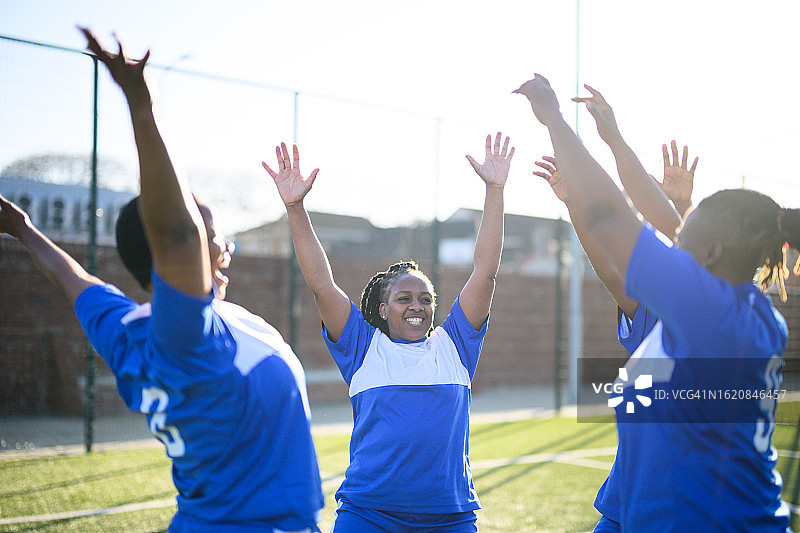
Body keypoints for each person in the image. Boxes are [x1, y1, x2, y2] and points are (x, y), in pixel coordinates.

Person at [0, 28, 324, 532]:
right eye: (211, 237)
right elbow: (176, 235)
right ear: (181, 254)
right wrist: (140, 105)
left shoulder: (126, 329)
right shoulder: (184, 335)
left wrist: (21, 229)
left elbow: (74, 278)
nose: (224, 247)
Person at [515, 74, 797, 532]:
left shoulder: (710, 311)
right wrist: (615, 141)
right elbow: (663, 217)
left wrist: (554, 120)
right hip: (652, 512)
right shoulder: (735, 309)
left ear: (712, 253)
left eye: (683, 234)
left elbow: (609, 214)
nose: (671, 233)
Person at [262, 133, 514, 532]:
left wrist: (495, 191)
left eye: (426, 298)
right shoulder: (362, 347)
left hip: (449, 517)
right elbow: (322, 285)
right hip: (368, 514)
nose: (417, 305)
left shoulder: (456, 345)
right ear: (382, 309)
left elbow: (485, 271)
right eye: (404, 298)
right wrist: (296, 208)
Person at [533, 84, 699, 533]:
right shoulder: (672, 312)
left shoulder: (719, 315)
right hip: (625, 503)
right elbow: (615, 265)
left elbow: (620, 223)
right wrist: (576, 204)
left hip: (675, 510)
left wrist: (563, 124)